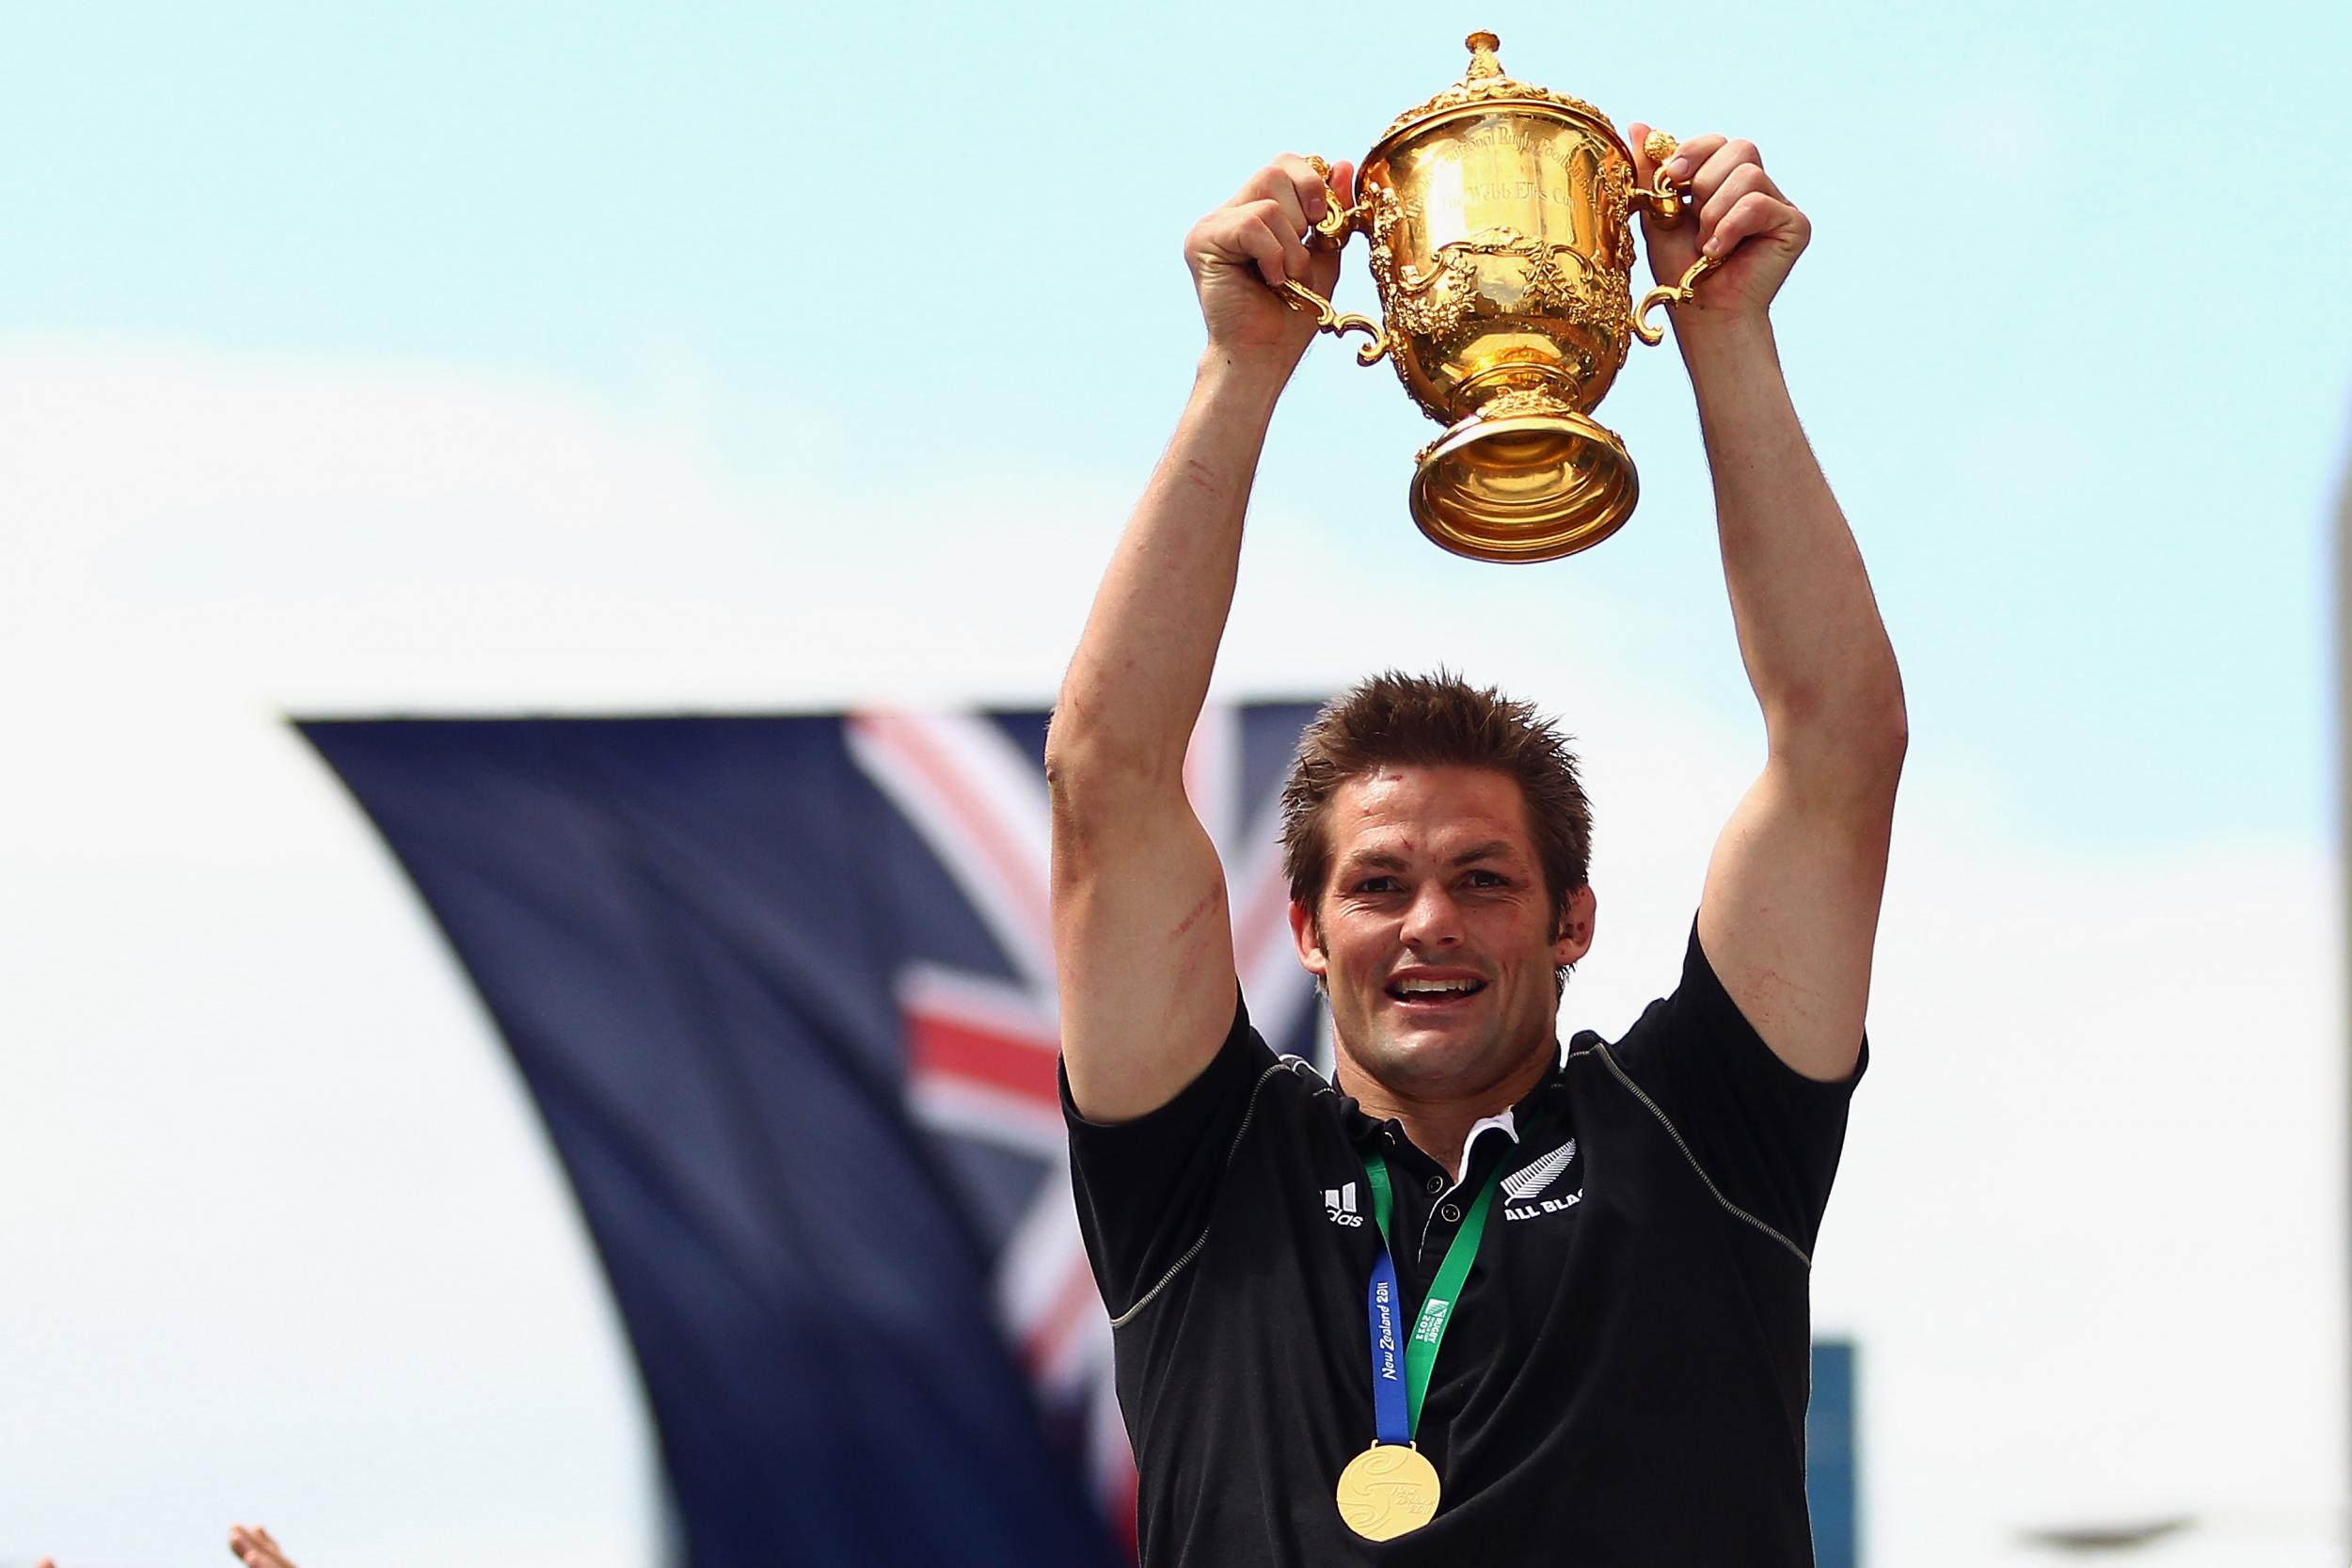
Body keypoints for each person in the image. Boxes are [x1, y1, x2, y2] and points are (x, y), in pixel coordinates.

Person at [1047, 129, 1904, 1566]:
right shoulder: (1201, 1174)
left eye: (1483, 880)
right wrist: (1239, 368)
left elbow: (1838, 755)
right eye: (1377, 884)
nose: (1428, 921)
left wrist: (1727, 341)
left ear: (1572, 919)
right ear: (1307, 930)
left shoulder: (1703, 1133)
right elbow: (1105, 782)